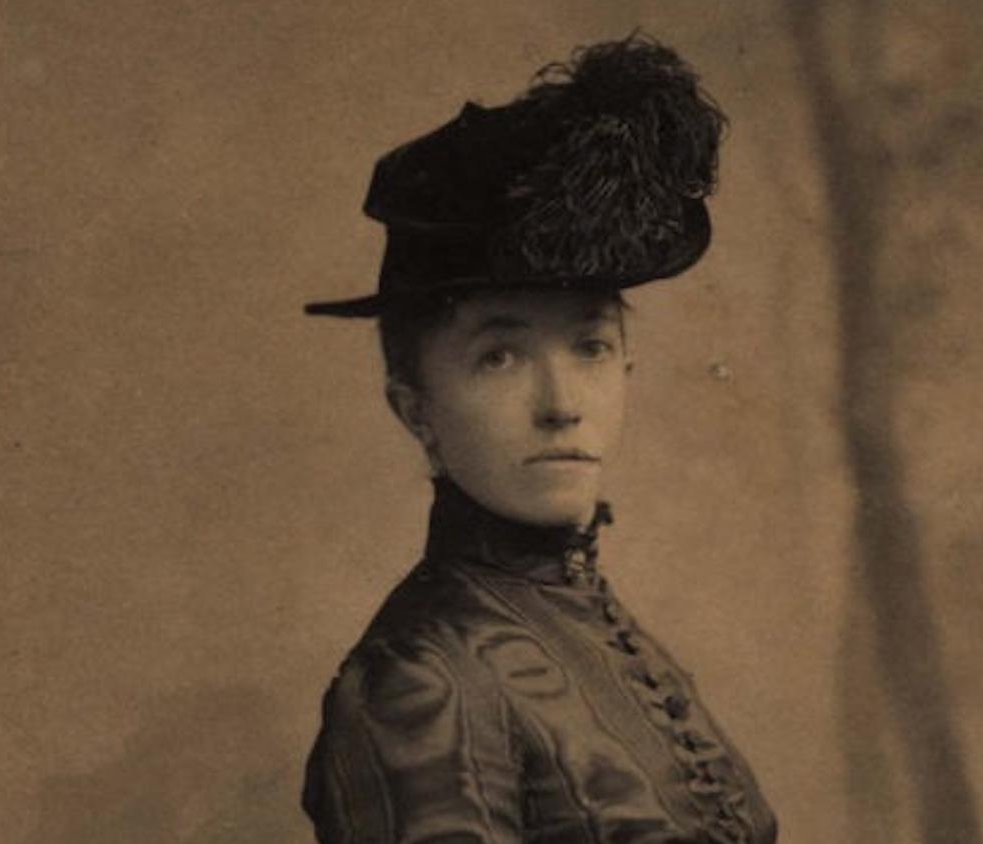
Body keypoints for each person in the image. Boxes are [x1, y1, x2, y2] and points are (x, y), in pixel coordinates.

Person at [301, 34, 778, 844]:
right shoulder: (421, 679)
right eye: (501, 357)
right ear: (416, 409)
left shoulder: (599, 625)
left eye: (589, 346)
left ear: (626, 366)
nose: (562, 405)